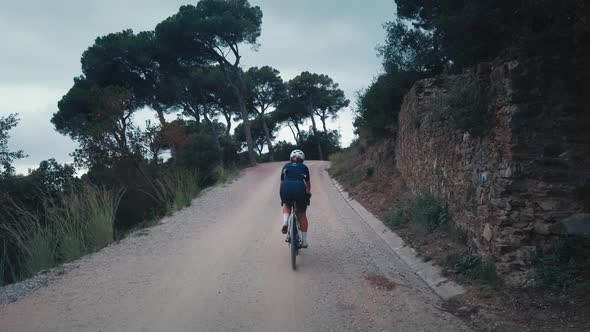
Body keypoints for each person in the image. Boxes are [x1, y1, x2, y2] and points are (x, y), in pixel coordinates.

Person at [279, 149, 311, 248]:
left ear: (290, 158)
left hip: (286, 189)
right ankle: (304, 241)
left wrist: (282, 195)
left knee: (287, 205)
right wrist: (308, 193)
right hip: (300, 190)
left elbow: (281, 182)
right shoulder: (304, 167)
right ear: (302, 159)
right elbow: (307, 184)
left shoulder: (286, 166)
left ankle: (285, 222)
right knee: (302, 215)